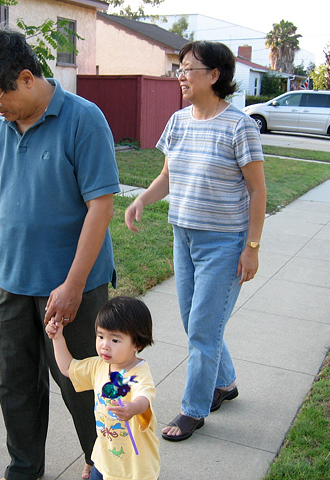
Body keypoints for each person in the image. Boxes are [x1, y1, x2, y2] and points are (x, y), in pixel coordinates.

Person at [0, 26, 120, 480]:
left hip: (74, 287)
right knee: (17, 387)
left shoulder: (84, 119)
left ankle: (103, 465)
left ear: (26, 78)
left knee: (83, 385)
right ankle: (25, 468)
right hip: (11, 281)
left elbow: (100, 207)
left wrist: (72, 285)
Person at [125, 40, 266, 442]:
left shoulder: (240, 126)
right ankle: (224, 383)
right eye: (179, 68)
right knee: (194, 322)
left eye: (188, 69)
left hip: (224, 242)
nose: (181, 76)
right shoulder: (178, 121)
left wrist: (251, 248)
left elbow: (258, 191)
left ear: (215, 75)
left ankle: (194, 408)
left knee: (203, 328)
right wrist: (141, 200)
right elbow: (168, 176)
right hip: (182, 236)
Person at [46, 297, 160, 480]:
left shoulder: (139, 374)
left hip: (134, 467)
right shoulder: (98, 365)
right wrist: (57, 338)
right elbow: (68, 368)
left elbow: (144, 397)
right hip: (103, 458)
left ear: (137, 344)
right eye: (100, 336)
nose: (104, 345)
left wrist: (133, 408)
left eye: (115, 340)